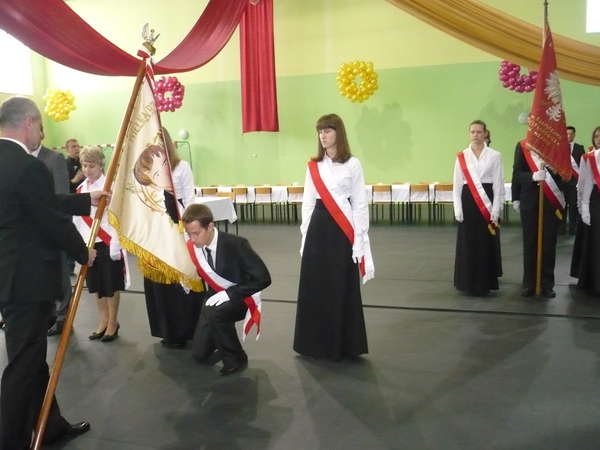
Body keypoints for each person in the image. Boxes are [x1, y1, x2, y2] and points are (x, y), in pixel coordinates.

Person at [0, 96, 107, 448]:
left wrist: (85, 200)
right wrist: (83, 253)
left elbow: (36, 203)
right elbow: (49, 219)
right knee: (23, 365)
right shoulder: (27, 165)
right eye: (40, 127)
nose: (41, 135)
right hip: (28, 281)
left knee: (31, 358)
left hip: (9, 276)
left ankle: (51, 425)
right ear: (28, 122)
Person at [293, 113, 374, 360]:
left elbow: (360, 202)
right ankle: (313, 343)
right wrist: (305, 235)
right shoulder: (313, 166)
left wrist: (360, 237)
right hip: (318, 228)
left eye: (327, 130)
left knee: (340, 283)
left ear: (339, 133)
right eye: (320, 131)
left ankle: (343, 344)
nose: (323, 136)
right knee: (315, 284)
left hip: (342, 230)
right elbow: (308, 202)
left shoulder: (353, 164)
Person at [183, 204, 271, 375]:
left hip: (241, 297)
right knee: (199, 355)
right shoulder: (194, 247)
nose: (192, 239)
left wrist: (230, 293)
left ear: (210, 226)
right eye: (189, 234)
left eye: (196, 233)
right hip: (214, 296)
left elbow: (263, 278)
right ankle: (221, 337)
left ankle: (236, 358)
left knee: (216, 314)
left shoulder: (237, 245)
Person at [142, 128, 202, 348]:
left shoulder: (181, 167)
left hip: (177, 229)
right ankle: (167, 330)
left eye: (159, 141)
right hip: (155, 232)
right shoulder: (144, 170)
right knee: (160, 283)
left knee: (181, 280)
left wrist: (189, 231)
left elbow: (190, 199)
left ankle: (187, 329)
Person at [73, 146, 127, 342]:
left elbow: (118, 217)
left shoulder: (110, 186)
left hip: (107, 241)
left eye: (92, 166)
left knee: (110, 285)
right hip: (89, 244)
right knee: (95, 285)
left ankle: (113, 322)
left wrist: (116, 242)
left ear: (101, 165)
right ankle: (103, 320)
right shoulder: (81, 189)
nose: (87, 170)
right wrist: (79, 245)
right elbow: (77, 220)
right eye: (84, 165)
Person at [453, 120, 504, 296]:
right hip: (468, 201)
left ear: (485, 134)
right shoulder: (462, 156)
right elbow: (457, 186)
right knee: (468, 243)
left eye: (479, 132)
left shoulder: (495, 155)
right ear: (469, 134)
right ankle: (467, 283)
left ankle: (484, 283)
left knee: (485, 242)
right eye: (473, 132)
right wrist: (458, 208)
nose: (476, 135)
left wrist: (496, 209)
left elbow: (498, 185)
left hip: (487, 200)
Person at [511, 139, 565, 298]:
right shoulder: (523, 145)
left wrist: (556, 172)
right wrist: (517, 195)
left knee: (548, 244)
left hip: (550, 202)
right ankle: (529, 283)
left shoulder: (555, 144)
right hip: (529, 201)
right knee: (530, 243)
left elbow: (565, 176)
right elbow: (517, 174)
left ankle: (547, 284)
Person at [32, 127, 73, 336]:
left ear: (42, 134)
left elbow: (61, 197)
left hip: (53, 229)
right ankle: (47, 315)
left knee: (61, 275)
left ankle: (63, 318)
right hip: (31, 235)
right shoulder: (21, 159)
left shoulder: (54, 159)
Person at [570, 126, 600, 285]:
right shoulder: (587, 157)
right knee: (595, 239)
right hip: (594, 199)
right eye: (596, 136)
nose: (599, 139)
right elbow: (582, 183)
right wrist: (583, 207)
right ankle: (594, 280)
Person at [564, 126, 585, 235]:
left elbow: (583, 165)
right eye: (567, 134)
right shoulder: (559, 148)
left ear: (574, 135)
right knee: (562, 205)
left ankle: (573, 228)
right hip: (562, 182)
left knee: (573, 205)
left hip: (574, 182)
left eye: (571, 134)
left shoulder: (579, 148)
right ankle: (561, 228)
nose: (569, 136)